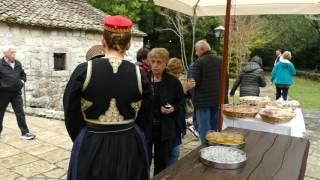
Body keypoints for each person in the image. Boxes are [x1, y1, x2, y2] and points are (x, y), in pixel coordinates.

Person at [63, 15, 152, 180]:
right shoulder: (140, 75)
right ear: (129, 44)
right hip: (130, 145)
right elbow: (146, 114)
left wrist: (82, 136)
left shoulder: (83, 71)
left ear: (103, 41)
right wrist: (132, 132)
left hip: (92, 143)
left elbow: (70, 111)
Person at [146, 48, 184, 175]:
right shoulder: (143, 79)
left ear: (165, 63)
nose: (155, 65)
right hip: (146, 127)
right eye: (153, 61)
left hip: (165, 128)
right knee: (144, 161)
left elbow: (181, 104)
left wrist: (173, 109)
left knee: (161, 163)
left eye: (159, 62)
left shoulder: (173, 82)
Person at [0, 45, 36, 140]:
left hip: (16, 93)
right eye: (12, 52)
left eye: (14, 52)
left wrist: (22, 81)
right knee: (0, 113)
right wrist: (3, 86)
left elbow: (23, 74)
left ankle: (25, 133)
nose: (14, 54)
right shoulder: (0, 64)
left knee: (20, 113)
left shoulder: (18, 63)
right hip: (3, 94)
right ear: (6, 54)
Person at [166, 57, 195, 165]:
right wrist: (184, 89)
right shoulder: (166, 81)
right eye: (177, 73)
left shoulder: (174, 81)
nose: (178, 75)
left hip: (176, 124)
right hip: (170, 124)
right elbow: (170, 102)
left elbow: (181, 101)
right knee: (173, 153)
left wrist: (186, 89)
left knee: (174, 152)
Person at [192, 40, 221, 144]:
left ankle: (205, 149)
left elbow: (195, 82)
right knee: (214, 127)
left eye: (196, 50)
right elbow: (225, 81)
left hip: (202, 101)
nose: (196, 53)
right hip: (217, 99)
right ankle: (213, 146)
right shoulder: (220, 61)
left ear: (202, 49)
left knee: (204, 128)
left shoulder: (199, 62)